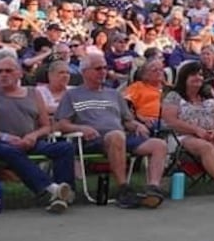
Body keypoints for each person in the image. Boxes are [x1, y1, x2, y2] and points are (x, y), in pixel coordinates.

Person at [55, 51, 170, 209]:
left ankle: (153, 188)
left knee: (159, 144)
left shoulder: (114, 94)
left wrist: (137, 125)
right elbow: (61, 124)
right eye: (98, 68)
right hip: (92, 139)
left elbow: (127, 120)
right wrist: (80, 127)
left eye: (104, 68)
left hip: (121, 136)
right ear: (85, 72)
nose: (103, 72)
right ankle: (123, 189)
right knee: (117, 135)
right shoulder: (73, 95)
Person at [0, 51, 76, 213]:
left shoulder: (34, 94)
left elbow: (46, 126)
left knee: (65, 148)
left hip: (29, 141)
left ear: (19, 73)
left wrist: (33, 136)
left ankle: (64, 195)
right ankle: (53, 189)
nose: (3, 75)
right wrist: (5, 137)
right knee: (10, 150)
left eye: (8, 71)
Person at [162, 61, 214, 200]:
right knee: (205, 147)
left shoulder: (207, 95)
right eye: (193, 75)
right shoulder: (174, 96)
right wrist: (196, 130)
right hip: (182, 137)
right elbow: (171, 121)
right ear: (184, 77)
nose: (198, 78)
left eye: (200, 75)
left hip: (210, 134)